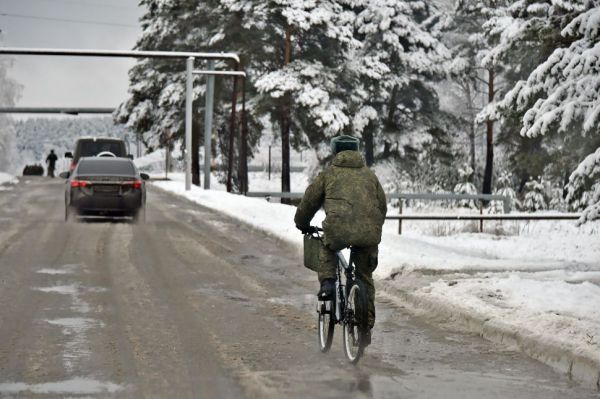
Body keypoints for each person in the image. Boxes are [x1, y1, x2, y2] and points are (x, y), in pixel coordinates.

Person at [294, 135, 387, 344]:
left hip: (338, 230)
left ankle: (327, 283)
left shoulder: (329, 174)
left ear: (336, 152)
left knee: (327, 246)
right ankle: (364, 328)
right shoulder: (370, 176)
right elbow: (383, 205)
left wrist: (301, 222)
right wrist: (374, 224)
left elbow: (309, 202)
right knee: (364, 276)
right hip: (369, 234)